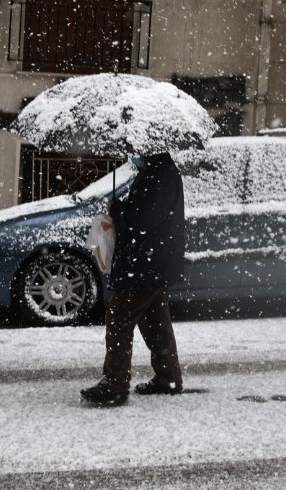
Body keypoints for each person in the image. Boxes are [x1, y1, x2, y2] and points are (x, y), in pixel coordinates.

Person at [80, 153, 186, 407]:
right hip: (152, 260)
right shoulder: (159, 171)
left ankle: (115, 384)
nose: (134, 154)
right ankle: (168, 378)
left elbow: (142, 220)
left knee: (119, 317)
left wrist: (118, 209)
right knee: (155, 321)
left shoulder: (159, 175)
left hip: (145, 263)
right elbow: (147, 215)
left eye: (138, 151)